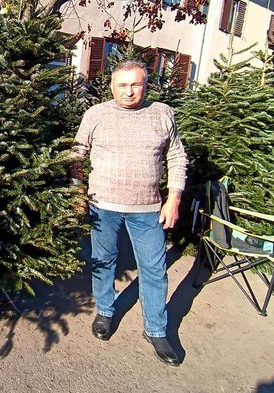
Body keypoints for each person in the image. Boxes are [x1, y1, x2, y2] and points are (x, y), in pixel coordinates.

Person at [71, 59, 188, 366]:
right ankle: (106, 312)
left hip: (147, 208)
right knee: (103, 261)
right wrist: (76, 190)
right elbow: (76, 155)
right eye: (122, 85)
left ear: (146, 84)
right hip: (103, 206)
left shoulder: (162, 113)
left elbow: (177, 157)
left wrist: (173, 199)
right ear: (111, 86)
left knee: (153, 269)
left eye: (135, 84)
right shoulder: (95, 114)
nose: (129, 92)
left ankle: (156, 329)